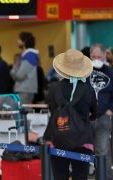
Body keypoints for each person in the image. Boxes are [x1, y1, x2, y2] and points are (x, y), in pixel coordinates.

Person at [44, 49, 97, 180]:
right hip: (82, 139)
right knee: (81, 175)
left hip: (57, 137)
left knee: (59, 175)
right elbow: (95, 113)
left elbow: (51, 109)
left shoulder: (53, 88)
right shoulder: (88, 89)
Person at [89, 43, 113, 179]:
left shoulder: (111, 73)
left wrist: (111, 110)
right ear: (89, 56)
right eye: (93, 56)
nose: (96, 59)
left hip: (104, 117)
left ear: (105, 56)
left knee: (103, 150)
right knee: (85, 149)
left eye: (99, 56)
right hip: (86, 117)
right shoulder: (83, 71)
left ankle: (106, 177)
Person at [10, 32, 39, 104]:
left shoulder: (29, 56)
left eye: (19, 39)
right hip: (24, 89)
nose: (17, 41)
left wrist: (13, 72)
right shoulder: (26, 55)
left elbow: (19, 75)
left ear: (24, 41)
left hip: (25, 90)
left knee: (23, 113)